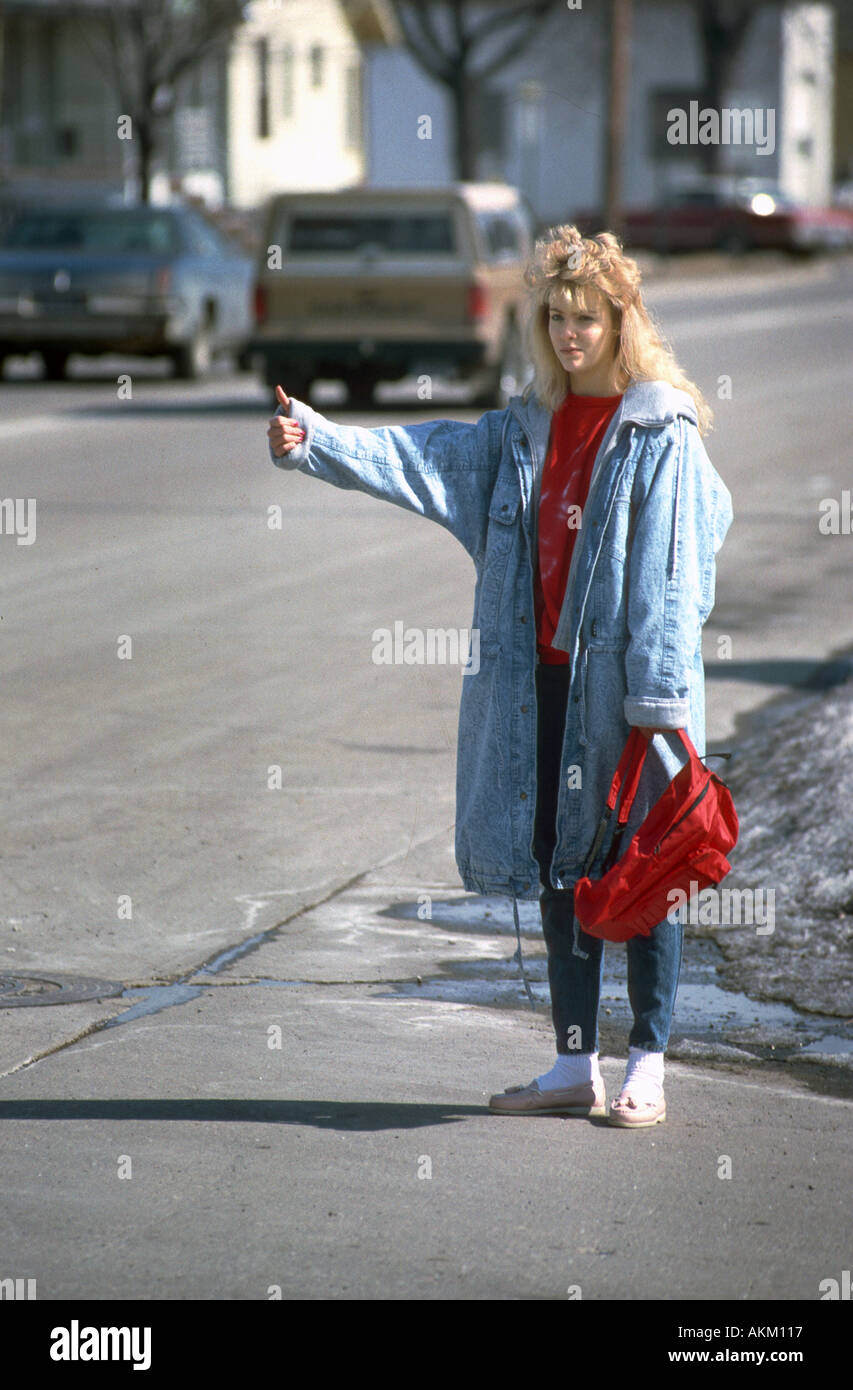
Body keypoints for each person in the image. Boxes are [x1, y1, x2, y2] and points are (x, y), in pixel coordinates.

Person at [266, 226, 732, 1129]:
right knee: (561, 868)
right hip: (540, 688)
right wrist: (314, 439)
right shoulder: (521, 431)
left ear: (620, 322)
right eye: (554, 318)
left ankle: (648, 1061)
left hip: (636, 695)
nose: (567, 335)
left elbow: (675, 574)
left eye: (585, 320)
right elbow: (421, 457)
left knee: (646, 869)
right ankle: (570, 1065)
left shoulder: (658, 429)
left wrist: (660, 705)